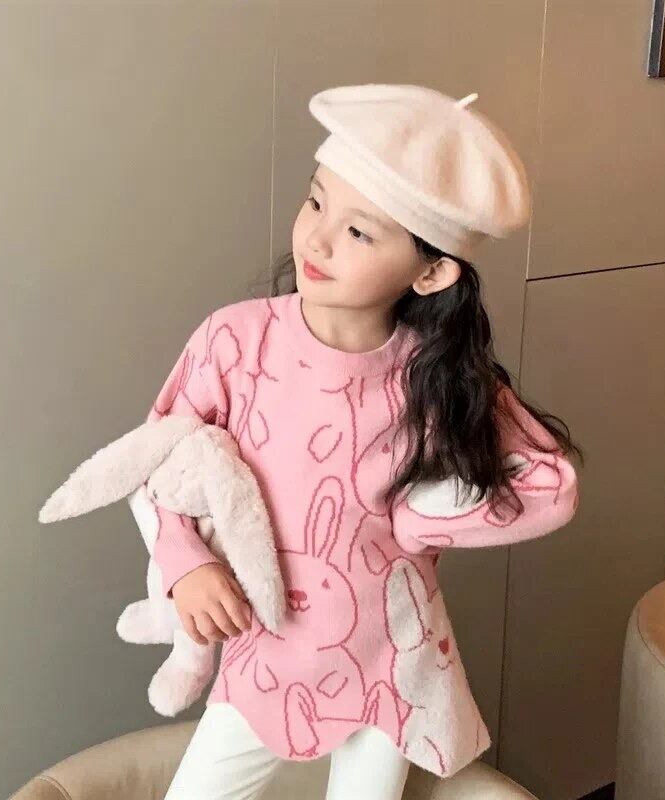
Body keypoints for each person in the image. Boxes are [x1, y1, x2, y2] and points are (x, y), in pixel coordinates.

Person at [146, 83, 583, 800]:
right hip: (265, 652)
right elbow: (159, 458)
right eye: (315, 202)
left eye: (358, 232)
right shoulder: (235, 341)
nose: (317, 239)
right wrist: (184, 562)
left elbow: (551, 485)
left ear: (432, 271)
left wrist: (424, 518)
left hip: (392, 668)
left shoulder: (439, 377)